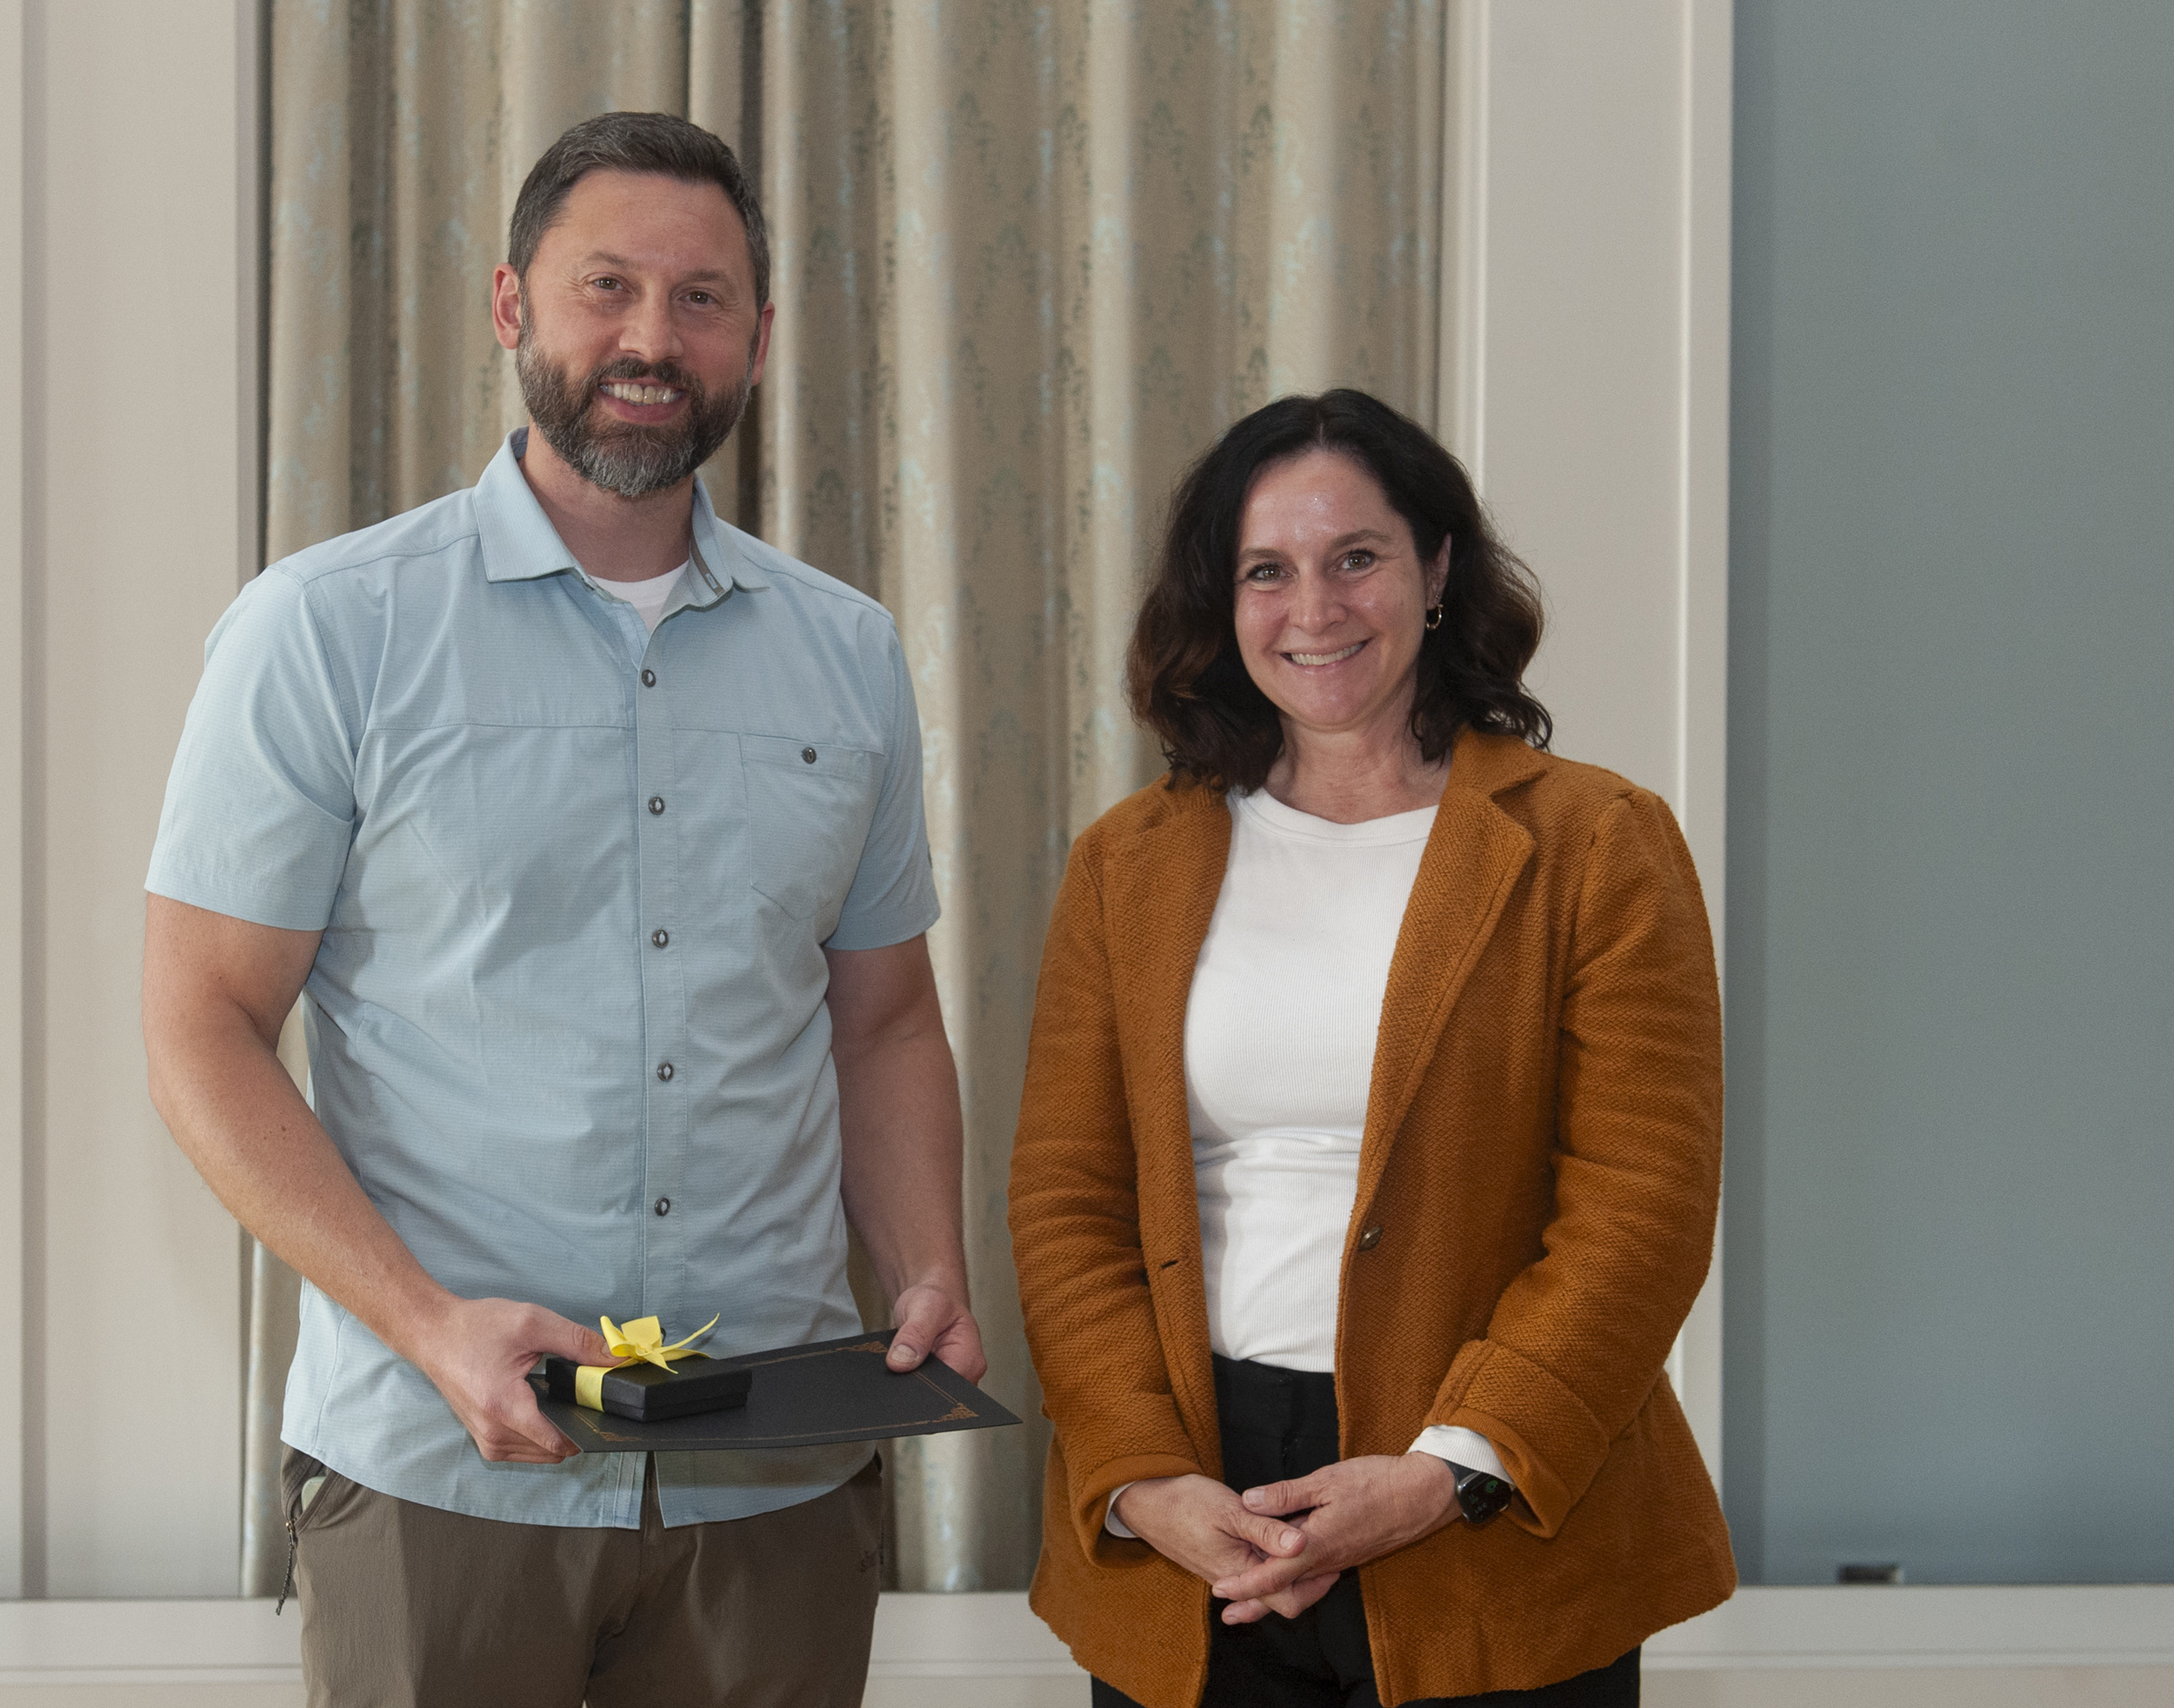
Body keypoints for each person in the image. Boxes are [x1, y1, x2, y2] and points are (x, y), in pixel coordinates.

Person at [142, 111, 984, 1707]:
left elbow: (884, 1023)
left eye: (702, 299)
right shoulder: (325, 632)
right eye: (608, 288)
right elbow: (200, 1025)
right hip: (440, 1475)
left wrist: (928, 1261)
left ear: (759, 337)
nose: (652, 341)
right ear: (515, 305)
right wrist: (427, 1322)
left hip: (772, 1484)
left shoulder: (850, 654)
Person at [1007, 390, 1733, 1708]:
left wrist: (1447, 1468)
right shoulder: (1130, 863)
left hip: (1487, 1513)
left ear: (1438, 567)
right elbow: (1067, 1200)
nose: (1316, 609)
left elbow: (1644, 1208)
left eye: (1357, 558)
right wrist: (1144, 1475)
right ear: (1221, 606)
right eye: (1267, 573)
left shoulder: (1599, 845)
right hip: (1195, 1518)